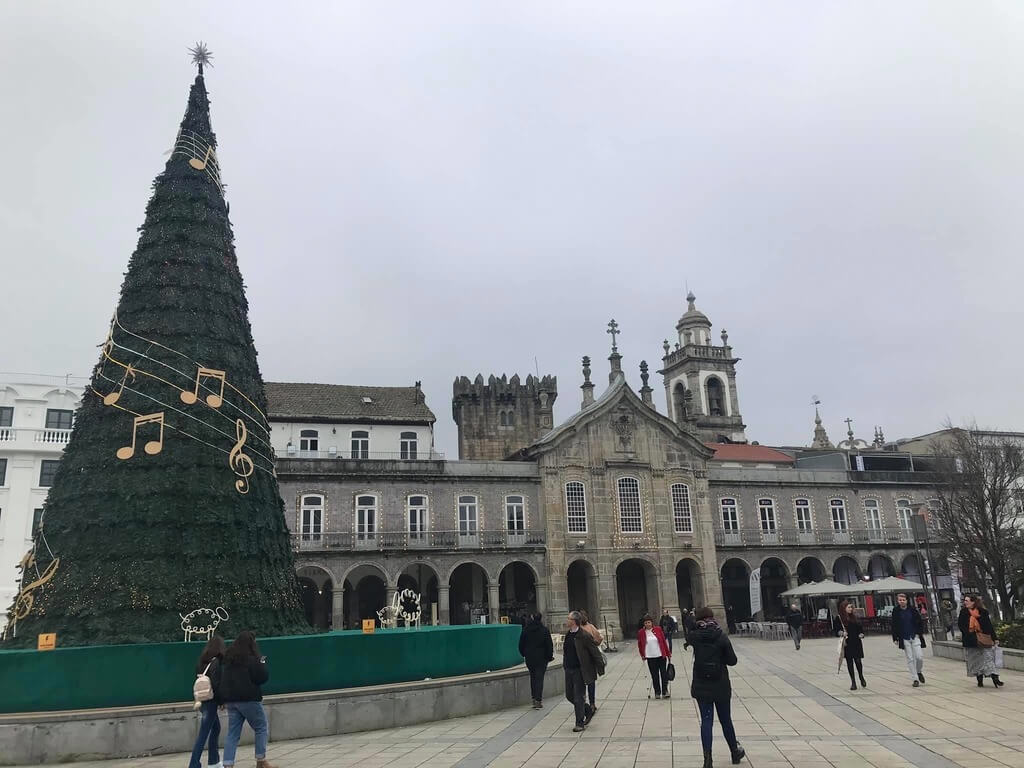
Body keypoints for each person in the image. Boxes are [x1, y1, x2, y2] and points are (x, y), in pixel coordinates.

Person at [689, 607, 745, 768]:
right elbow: (732, 660)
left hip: (701, 684)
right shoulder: (721, 635)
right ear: (712, 617)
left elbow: (690, 635)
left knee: (706, 721)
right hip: (720, 684)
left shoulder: (695, 636)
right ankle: (734, 752)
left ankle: (708, 760)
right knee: (726, 720)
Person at [220, 631, 274, 768]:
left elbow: (224, 680)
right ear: (252, 643)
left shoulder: (230, 659)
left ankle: (228, 763)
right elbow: (262, 677)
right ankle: (261, 760)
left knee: (233, 733)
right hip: (249, 699)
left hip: (232, 701)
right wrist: (261, 661)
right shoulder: (252, 659)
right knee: (261, 727)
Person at [188, 634, 225, 768]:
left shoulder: (201, 661)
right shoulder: (215, 662)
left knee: (216, 728)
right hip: (211, 700)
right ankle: (194, 764)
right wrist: (221, 701)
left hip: (202, 699)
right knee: (204, 733)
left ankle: (214, 761)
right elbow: (216, 684)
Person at [563, 611, 603, 732]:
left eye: (568, 618)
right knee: (569, 695)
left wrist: (600, 667)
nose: (566, 620)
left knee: (578, 697)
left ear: (574, 621)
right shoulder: (568, 634)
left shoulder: (584, 635)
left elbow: (595, 652)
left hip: (580, 670)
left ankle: (579, 723)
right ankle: (587, 710)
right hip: (569, 669)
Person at [958, 595, 1003, 688]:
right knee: (976, 660)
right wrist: (969, 633)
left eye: (967, 600)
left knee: (988, 658)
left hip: (984, 638)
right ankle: (979, 679)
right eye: (964, 600)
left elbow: (989, 626)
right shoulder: (963, 612)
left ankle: (995, 677)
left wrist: (994, 638)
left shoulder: (983, 612)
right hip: (971, 640)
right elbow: (961, 626)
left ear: (973, 602)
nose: (965, 602)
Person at [518, 612, 554, 708]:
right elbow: (549, 645)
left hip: (530, 658)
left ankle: (534, 698)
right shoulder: (544, 630)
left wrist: (524, 654)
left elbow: (521, 644)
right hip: (542, 658)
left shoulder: (526, 630)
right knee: (539, 678)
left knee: (533, 677)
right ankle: (538, 699)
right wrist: (549, 656)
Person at [890, 593, 927, 687]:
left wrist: (919, 633)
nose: (902, 602)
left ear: (907, 600)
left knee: (919, 656)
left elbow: (919, 621)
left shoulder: (912, 610)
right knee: (910, 658)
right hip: (904, 637)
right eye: (900, 600)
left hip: (914, 636)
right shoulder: (896, 611)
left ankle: (918, 671)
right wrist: (895, 637)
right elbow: (894, 625)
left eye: (903, 600)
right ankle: (915, 678)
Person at [637, 615, 672, 699]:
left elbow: (663, 641)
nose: (647, 624)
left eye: (649, 622)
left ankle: (665, 691)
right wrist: (642, 655)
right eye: (646, 623)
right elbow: (640, 644)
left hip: (660, 655)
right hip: (650, 656)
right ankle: (657, 692)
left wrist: (668, 653)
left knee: (664, 674)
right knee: (654, 675)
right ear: (644, 624)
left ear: (652, 622)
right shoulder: (641, 632)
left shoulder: (658, 629)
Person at [838, 602, 867, 691]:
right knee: (849, 662)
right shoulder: (840, 619)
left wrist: (861, 634)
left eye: (851, 607)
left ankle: (861, 676)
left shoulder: (855, 617)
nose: (850, 609)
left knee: (858, 661)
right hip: (847, 642)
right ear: (844, 608)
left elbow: (860, 629)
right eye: (848, 607)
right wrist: (841, 633)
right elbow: (836, 630)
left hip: (856, 641)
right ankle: (853, 682)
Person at [579, 610, 603, 713]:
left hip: (589, 659)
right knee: (585, 683)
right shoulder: (581, 628)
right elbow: (599, 639)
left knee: (590, 682)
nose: (584, 618)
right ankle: (585, 703)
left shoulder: (589, 627)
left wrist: (593, 644)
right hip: (582, 660)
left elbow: (599, 638)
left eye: (584, 616)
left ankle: (591, 703)